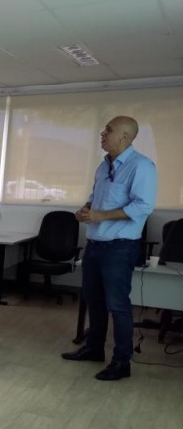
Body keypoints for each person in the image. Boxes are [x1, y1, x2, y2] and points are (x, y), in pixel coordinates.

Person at [62, 116, 157, 381]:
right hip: (94, 244)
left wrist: (101, 216)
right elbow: (96, 199)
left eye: (109, 131)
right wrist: (85, 210)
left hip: (120, 247)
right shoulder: (103, 166)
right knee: (94, 300)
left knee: (118, 305)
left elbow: (143, 206)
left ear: (125, 136)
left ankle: (121, 362)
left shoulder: (142, 166)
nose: (102, 134)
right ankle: (94, 348)